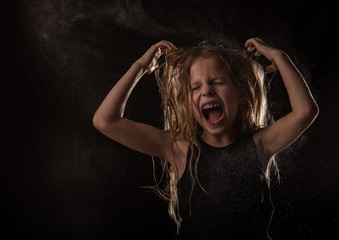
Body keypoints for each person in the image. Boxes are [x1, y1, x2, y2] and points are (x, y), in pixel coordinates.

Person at [92, 38, 318, 239]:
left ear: (240, 94)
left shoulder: (260, 144)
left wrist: (280, 57)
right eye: (195, 87)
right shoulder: (178, 148)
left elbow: (305, 111)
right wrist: (140, 67)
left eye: (217, 82)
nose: (206, 91)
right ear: (188, 102)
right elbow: (105, 121)